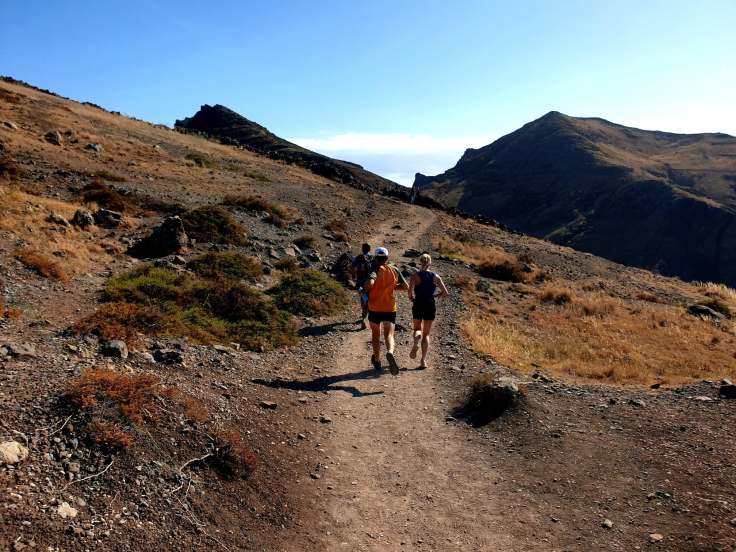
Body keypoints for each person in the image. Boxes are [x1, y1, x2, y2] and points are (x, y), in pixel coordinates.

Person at [364, 247, 408, 375]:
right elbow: (406, 286)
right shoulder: (394, 269)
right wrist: (391, 288)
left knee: (375, 334)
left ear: (375, 258)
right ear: (387, 258)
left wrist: (364, 289)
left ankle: (377, 360)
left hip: (374, 307)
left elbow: (371, 283)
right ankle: (390, 352)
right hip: (389, 307)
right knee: (389, 334)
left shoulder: (375, 268)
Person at [408, 253, 449, 369]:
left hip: (418, 302)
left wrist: (412, 298)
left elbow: (409, 293)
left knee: (417, 329)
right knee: (426, 334)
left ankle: (416, 340)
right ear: (430, 263)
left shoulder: (414, 276)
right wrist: (438, 295)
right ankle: (423, 361)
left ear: (420, 262)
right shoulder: (436, 276)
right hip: (430, 304)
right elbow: (446, 292)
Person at [350, 243, 373, 330]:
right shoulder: (372, 258)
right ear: (369, 249)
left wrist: (353, 276)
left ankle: (364, 315)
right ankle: (367, 314)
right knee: (369, 297)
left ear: (362, 249)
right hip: (370, 281)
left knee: (363, 297)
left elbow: (352, 267)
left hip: (360, 281)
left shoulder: (358, 257)